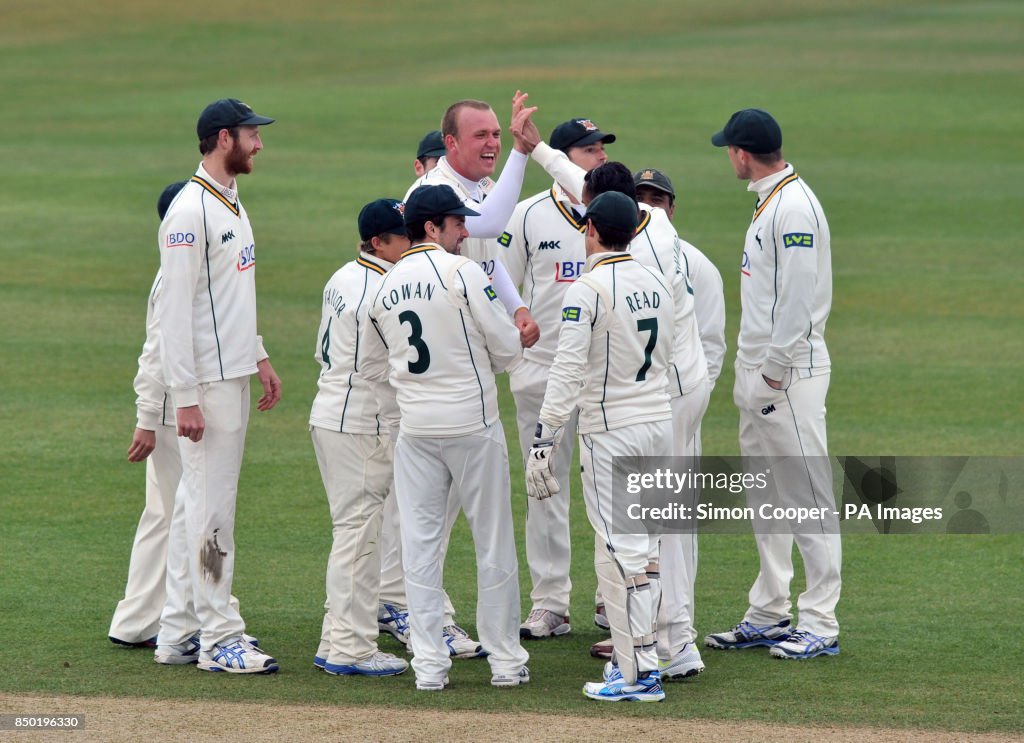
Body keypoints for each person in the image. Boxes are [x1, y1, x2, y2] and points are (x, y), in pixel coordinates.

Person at [361, 184, 530, 691]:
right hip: (472, 427)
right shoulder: (462, 274)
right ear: (431, 227)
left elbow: (373, 365)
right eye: (457, 223)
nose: (464, 230)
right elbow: (506, 349)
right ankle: (504, 662)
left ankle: (430, 667)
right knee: (493, 542)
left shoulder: (383, 287)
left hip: (416, 431)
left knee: (420, 547)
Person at [526, 191, 675, 702]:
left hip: (614, 430)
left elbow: (567, 371)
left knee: (620, 552)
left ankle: (637, 675)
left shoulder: (587, 290)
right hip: (657, 422)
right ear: (634, 230)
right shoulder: (656, 279)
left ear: (590, 230)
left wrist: (544, 437)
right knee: (647, 551)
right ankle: (646, 661)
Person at [703, 108, 840, 660]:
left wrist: (775, 371)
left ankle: (821, 622)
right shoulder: (772, 200)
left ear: (741, 153)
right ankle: (769, 611)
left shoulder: (794, 208)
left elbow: (799, 300)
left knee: (806, 494)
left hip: (787, 374)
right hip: (760, 372)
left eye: (728, 150)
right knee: (767, 496)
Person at [155, 98, 282, 674]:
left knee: (192, 507)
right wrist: (183, 397)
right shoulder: (189, 213)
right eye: (252, 135)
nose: (259, 145)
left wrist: (257, 356)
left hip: (231, 374)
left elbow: (228, 297)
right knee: (212, 512)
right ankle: (219, 638)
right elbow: (174, 314)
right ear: (224, 137)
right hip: (205, 385)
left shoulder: (230, 201)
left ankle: (177, 631)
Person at [580, 163, 710, 681]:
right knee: (656, 524)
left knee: (651, 527)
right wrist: (539, 150)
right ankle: (654, 641)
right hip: (676, 390)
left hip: (658, 396)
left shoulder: (616, 270)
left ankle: (666, 645)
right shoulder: (662, 235)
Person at [495, 117, 617, 640]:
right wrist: (518, 364)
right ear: (565, 158)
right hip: (541, 374)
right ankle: (550, 602)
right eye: (589, 150)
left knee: (608, 488)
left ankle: (611, 599)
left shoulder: (618, 214)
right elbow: (500, 287)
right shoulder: (526, 216)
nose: (600, 158)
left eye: (602, 149)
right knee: (544, 487)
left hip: (602, 378)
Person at [309, 199, 411, 678]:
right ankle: (350, 648)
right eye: (404, 236)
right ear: (379, 242)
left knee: (351, 532)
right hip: (363, 425)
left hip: (330, 414)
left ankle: (337, 637)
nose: (413, 242)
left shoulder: (341, 276)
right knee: (358, 536)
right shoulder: (386, 289)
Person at [404, 93, 543, 347]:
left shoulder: (484, 187)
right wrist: (521, 150)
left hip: (473, 330)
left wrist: (517, 308)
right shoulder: (433, 190)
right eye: (480, 135)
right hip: (441, 335)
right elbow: (490, 224)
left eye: (496, 134)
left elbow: (489, 258)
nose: (492, 143)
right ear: (451, 142)